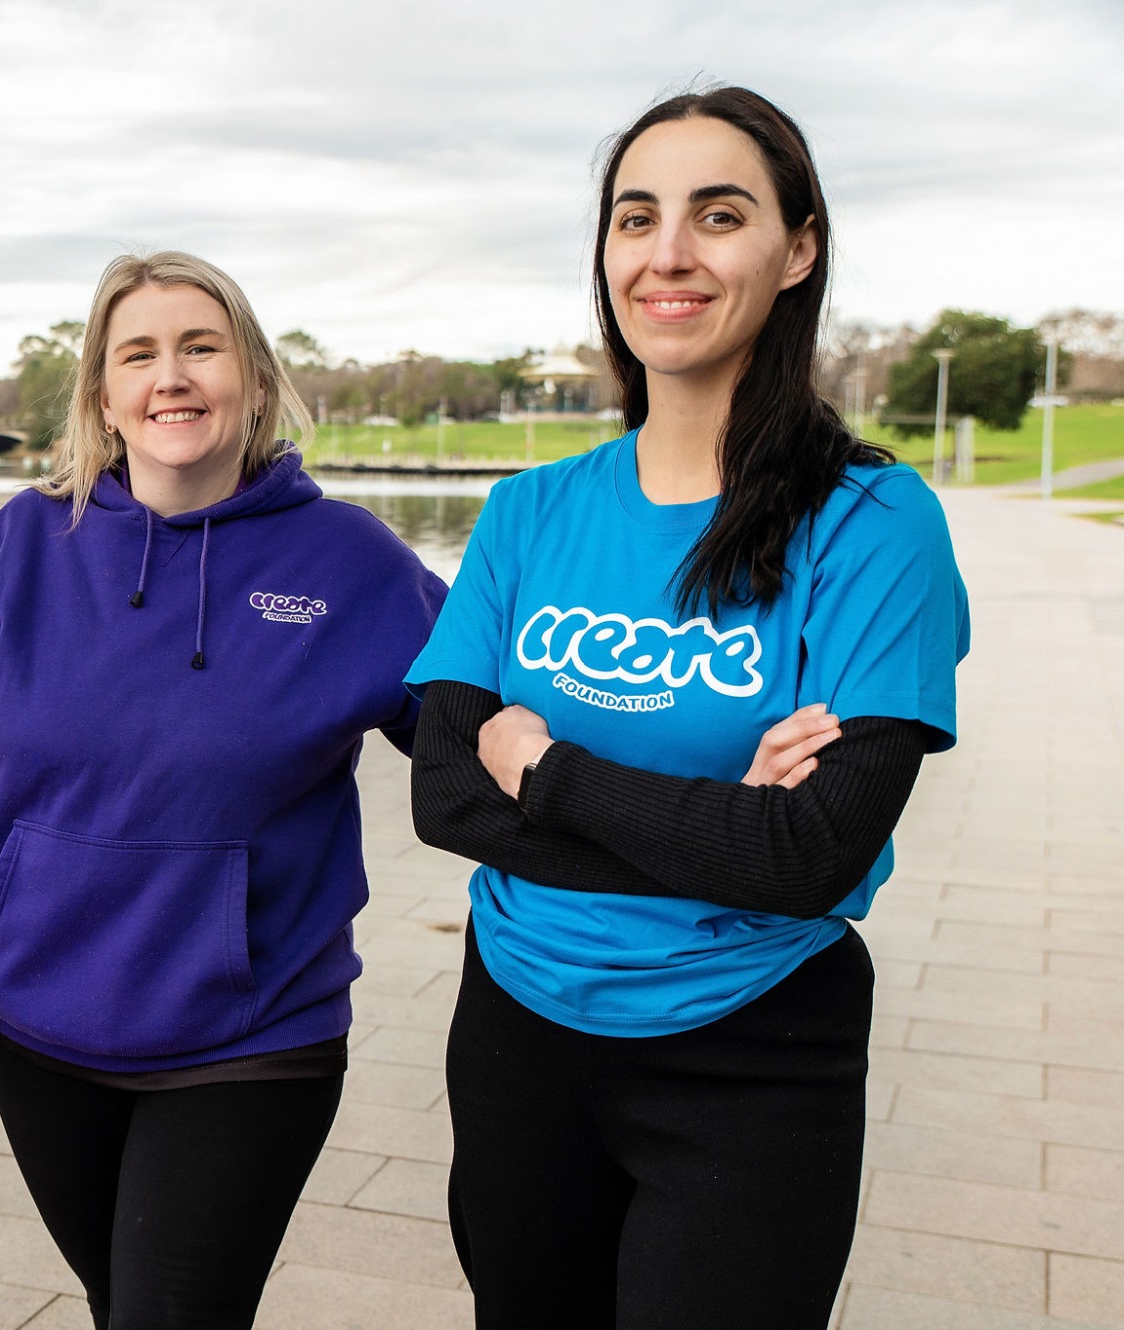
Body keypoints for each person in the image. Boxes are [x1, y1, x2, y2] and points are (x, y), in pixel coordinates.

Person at [406, 86, 969, 1329]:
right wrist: (720, 830)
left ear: (796, 248)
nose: (666, 253)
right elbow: (442, 794)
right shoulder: (527, 511)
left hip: (751, 1052)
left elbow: (812, 856)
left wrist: (545, 770)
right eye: (634, 217)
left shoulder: (872, 524)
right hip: (513, 1033)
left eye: (717, 215)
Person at [0, 251, 448, 1329]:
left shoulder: (346, 560)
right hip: (33, 1025)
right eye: (139, 354)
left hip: (251, 1036)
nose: (171, 376)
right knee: (120, 1301)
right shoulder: (26, 541)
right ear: (103, 394)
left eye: (200, 347)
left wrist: (681, 769)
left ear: (253, 378)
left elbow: (480, 723)